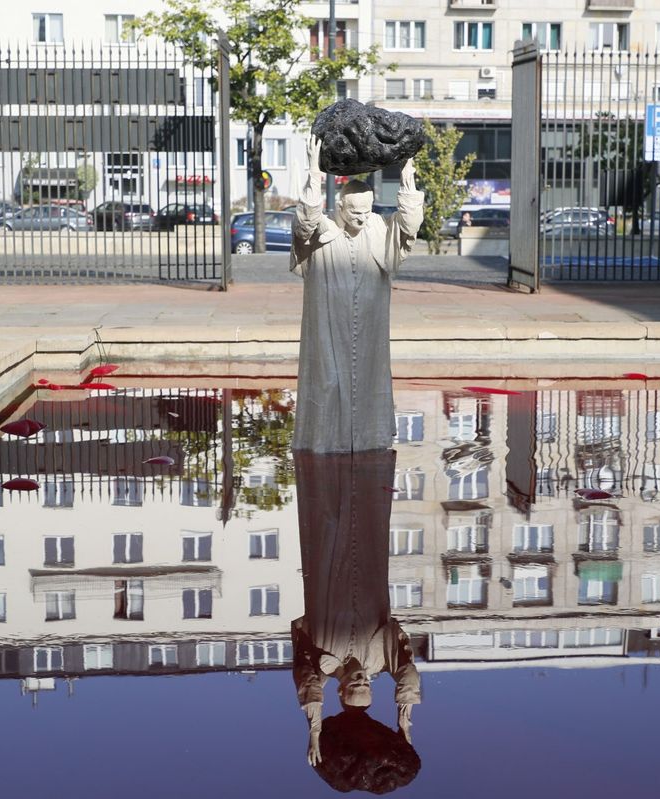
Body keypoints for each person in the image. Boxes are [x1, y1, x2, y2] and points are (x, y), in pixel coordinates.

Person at [292, 449, 421, 792]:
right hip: (367, 566)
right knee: (366, 514)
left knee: (329, 515)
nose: (363, 679)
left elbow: (307, 684)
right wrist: (404, 722)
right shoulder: (381, 659)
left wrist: (315, 728)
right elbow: (406, 670)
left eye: (355, 686)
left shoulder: (323, 667)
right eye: (368, 685)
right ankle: (366, 460)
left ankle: (321, 460)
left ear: (342, 688)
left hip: (329, 568)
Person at [291, 135, 424, 453]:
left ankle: (368, 440)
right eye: (354, 212)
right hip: (328, 323)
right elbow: (305, 221)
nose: (361, 218)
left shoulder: (378, 228)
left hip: (369, 322)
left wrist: (407, 182)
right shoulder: (322, 230)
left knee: (369, 381)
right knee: (328, 382)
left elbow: (409, 226)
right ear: (340, 206)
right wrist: (314, 172)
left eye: (366, 210)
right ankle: (325, 442)